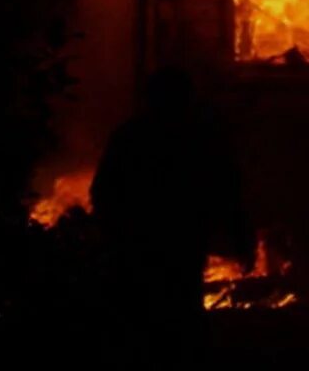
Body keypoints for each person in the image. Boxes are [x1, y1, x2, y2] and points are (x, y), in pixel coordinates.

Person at [91, 66, 251, 356]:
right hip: (180, 243)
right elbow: (228, 190)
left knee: (141, 318)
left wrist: (111, 232)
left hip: (139, 245)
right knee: (182, 314)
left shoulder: (130, 135)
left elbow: (103, 192)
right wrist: (240, 238)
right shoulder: (201, 137)